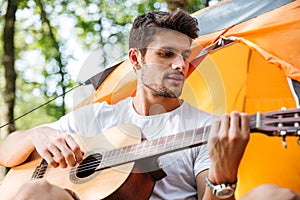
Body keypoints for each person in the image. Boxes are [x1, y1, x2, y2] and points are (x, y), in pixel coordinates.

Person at [0, 8, 297, 200]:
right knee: (35, 190)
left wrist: (223, 176)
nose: (181, 65)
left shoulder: (207, 126)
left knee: (275, 194)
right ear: (135, 59)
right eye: (166, 54)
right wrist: (35, 134)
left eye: (185, 55)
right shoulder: (94, 117)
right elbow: (6, 152)